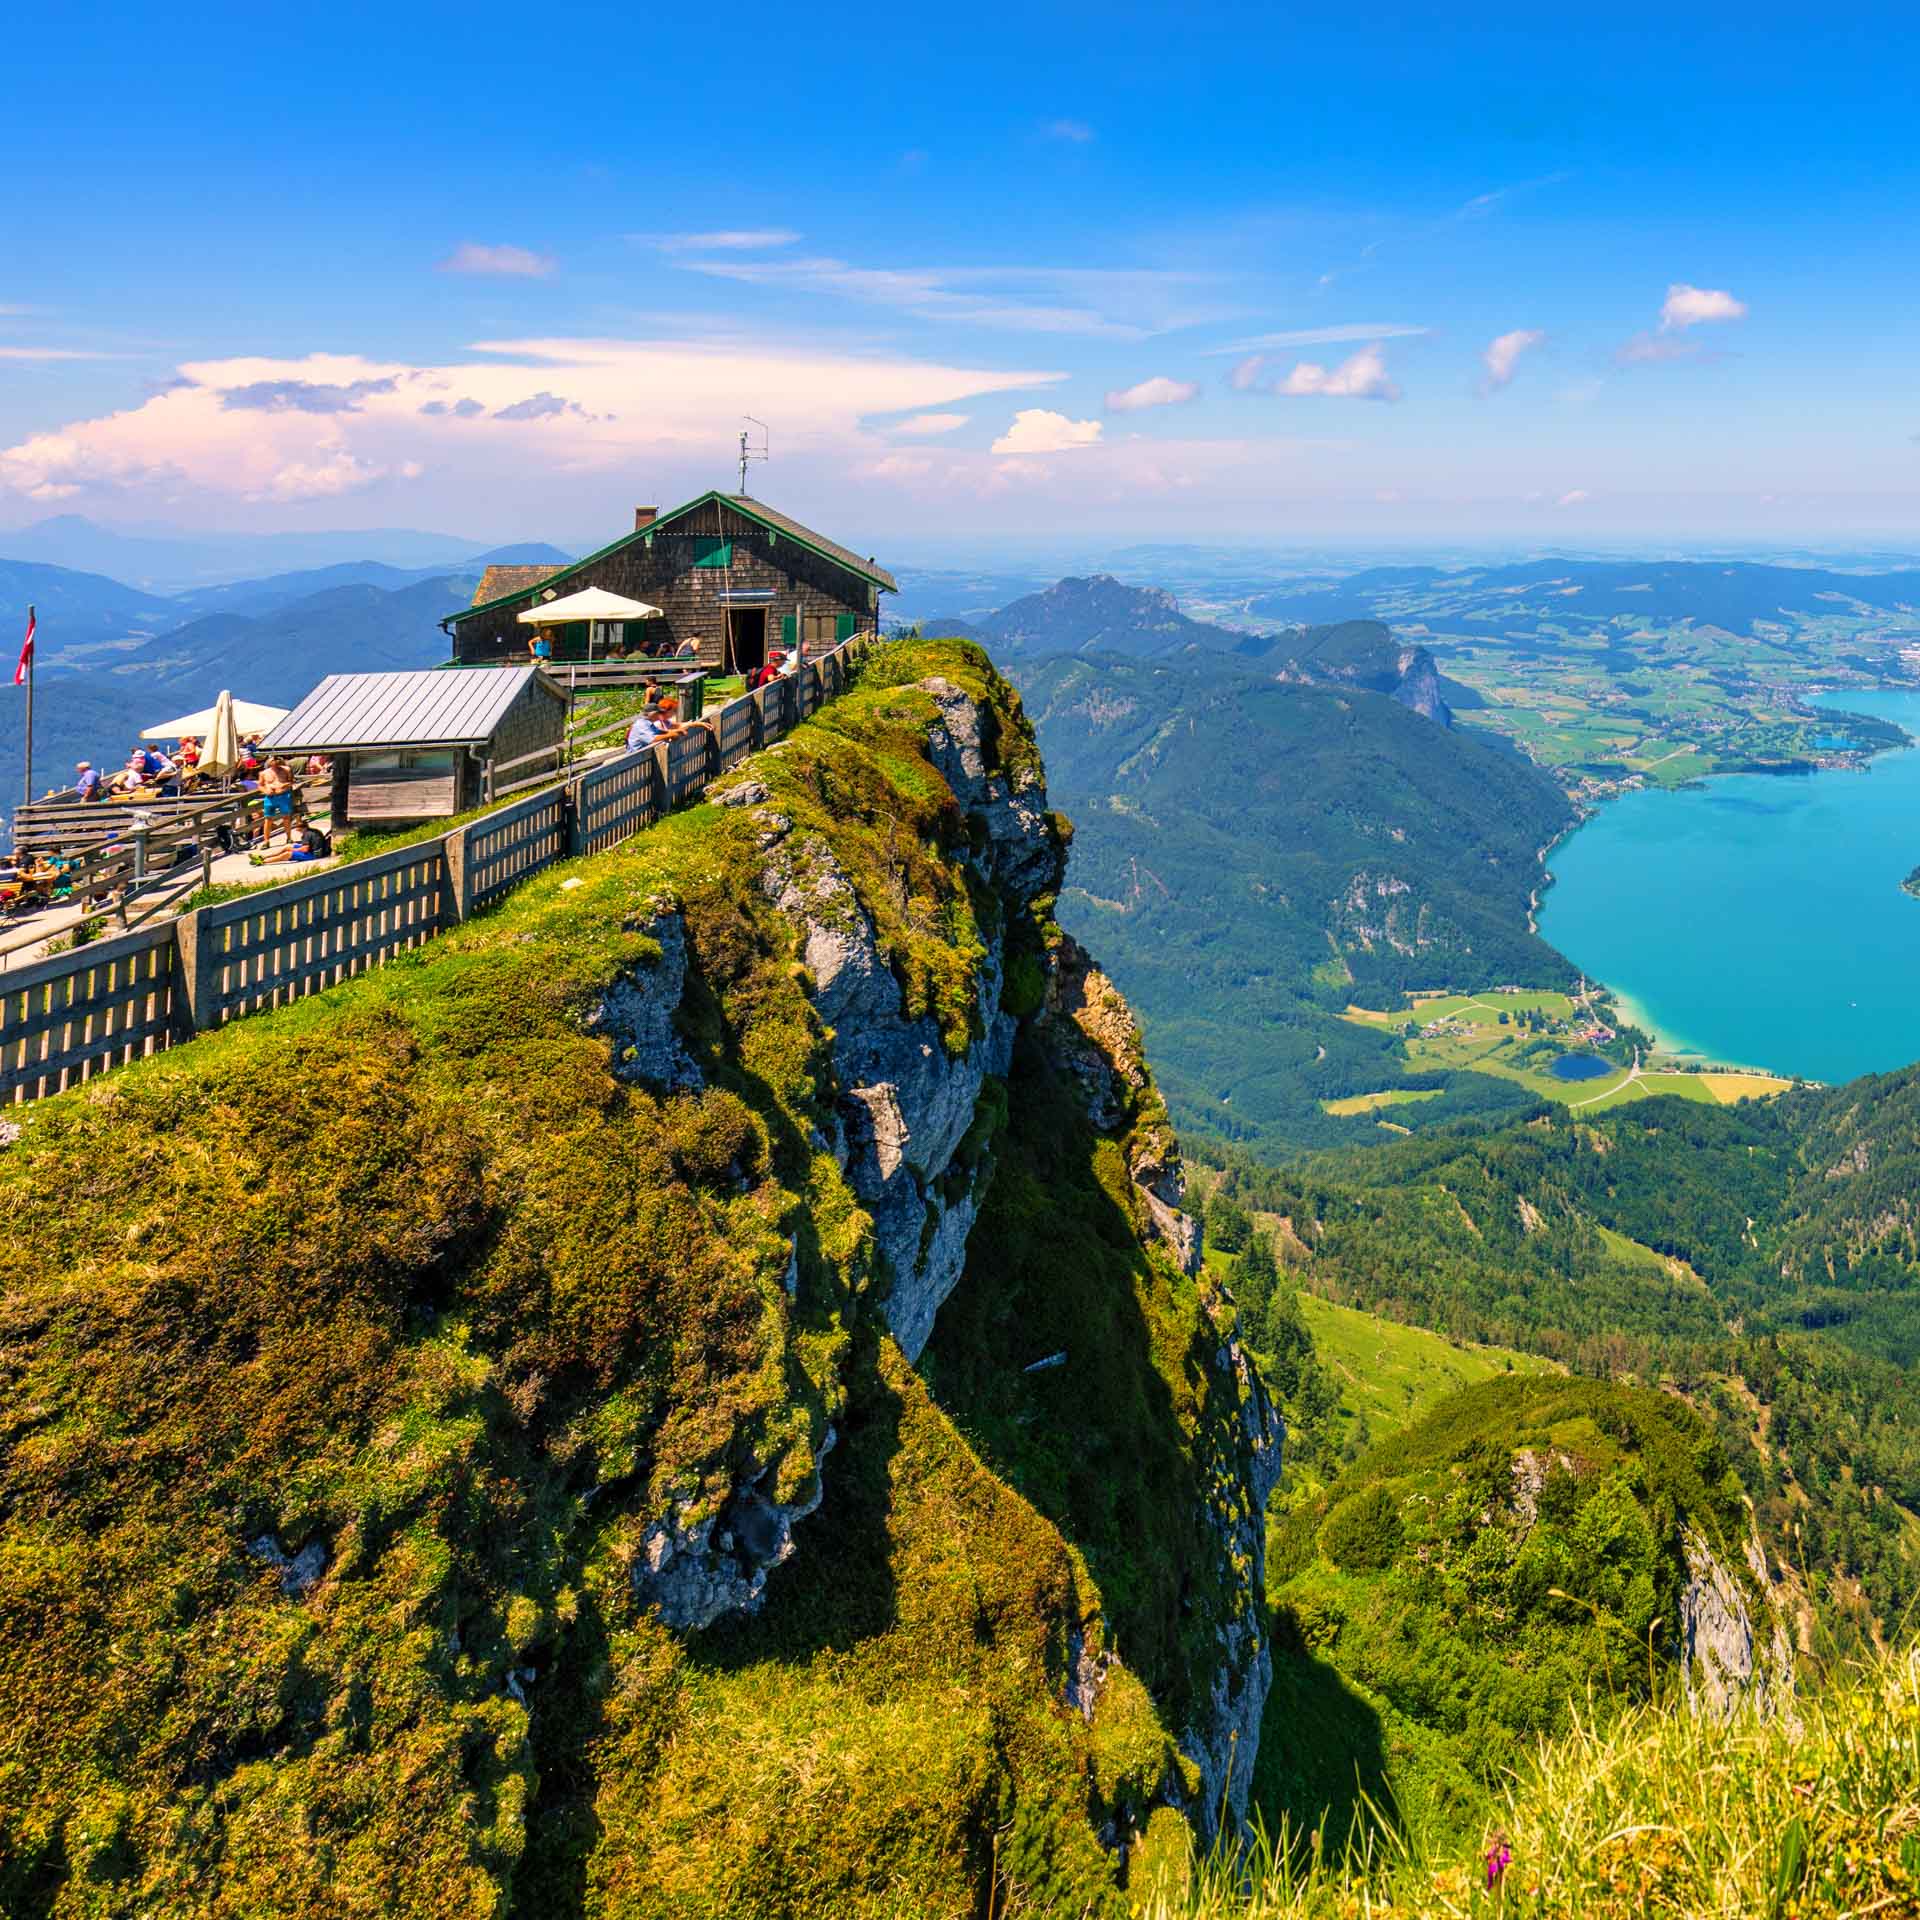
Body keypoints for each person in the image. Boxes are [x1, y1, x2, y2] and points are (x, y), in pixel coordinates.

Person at [258, 755, 296, 849]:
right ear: (269, 762)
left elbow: (292, 781)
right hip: (270, 797)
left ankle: (289, 837)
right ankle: (266, 841)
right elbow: (260, 785)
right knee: (268, 818)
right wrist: (265, 791)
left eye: (277, 759)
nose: (275, 761)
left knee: (286, 816)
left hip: (283, 795)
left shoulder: (286, 769)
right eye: (273, 759)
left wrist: (284, 785)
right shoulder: (263, 773)